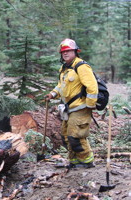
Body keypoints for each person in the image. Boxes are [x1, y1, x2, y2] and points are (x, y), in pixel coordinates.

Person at [45, 38, 98, 168]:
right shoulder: (64, 68)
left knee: (76, 135)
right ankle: (74, 161)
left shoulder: (81, 66)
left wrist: (91, 104)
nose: (65, 53)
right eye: (63, 52)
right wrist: (52, 94)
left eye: (68, 51)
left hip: (81, 107)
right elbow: (61, 86)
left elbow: (92, 86)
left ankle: (86, 161)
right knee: (65, 135)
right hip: (69, 109)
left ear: (75, 51)